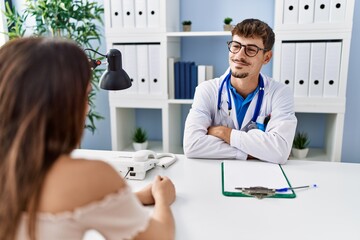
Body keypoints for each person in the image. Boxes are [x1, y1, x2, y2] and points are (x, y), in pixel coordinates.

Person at [0, 37, 176, 240]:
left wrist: (129, 199)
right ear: (62, 106)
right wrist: (162, 199)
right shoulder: (91, 177)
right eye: (85, 96)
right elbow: (159, 236)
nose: (88, 108)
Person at [183, 18, 297, 164]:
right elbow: (192, 146)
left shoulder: (280, 93)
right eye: (236, 46)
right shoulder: (206, 90)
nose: (239, 56)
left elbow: (280, 151)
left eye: (250, 49)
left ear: (267, 57)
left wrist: (224, 132)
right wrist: (252, 153)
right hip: (216, 174)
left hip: (262, 177)